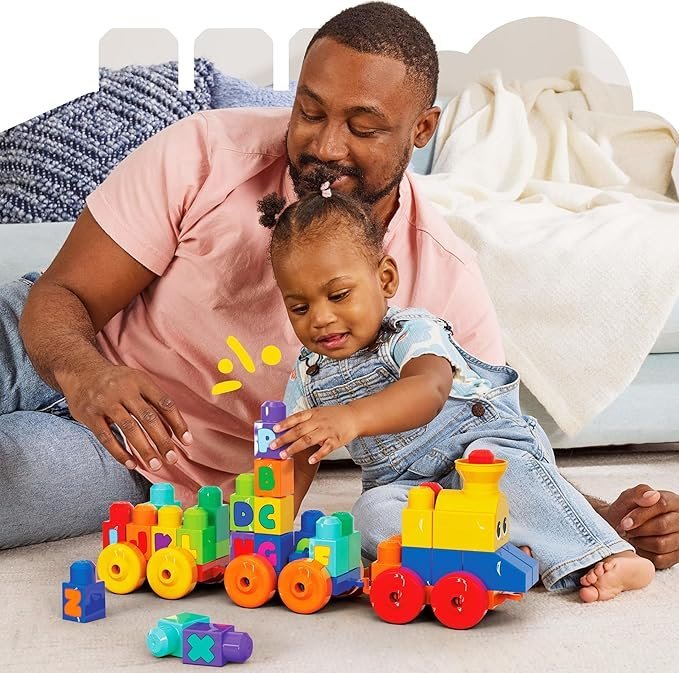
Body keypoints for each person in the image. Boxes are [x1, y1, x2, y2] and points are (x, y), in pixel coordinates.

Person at [1, 3, 677, 568]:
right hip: (52, 341)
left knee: (14, 477)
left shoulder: (441, 281)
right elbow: (63, 295)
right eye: (311, 111)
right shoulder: (206, 153)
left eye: (362, 126)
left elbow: (485, 449)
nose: (325, 146)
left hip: (147, 456)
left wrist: (601, 521)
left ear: (421, 129)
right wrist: (88, 374)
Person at [259, 185, 655, 602]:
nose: (321, 317)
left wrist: (351, 418)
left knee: (516, 479)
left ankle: (605, 552)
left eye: (339, 295)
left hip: (480, 451)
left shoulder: (410, 332)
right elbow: (296, 454)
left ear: (385, 279)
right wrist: (274, 531)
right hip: (409, 488)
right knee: (370, 515)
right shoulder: (308, 373)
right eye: (300, 307)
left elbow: (428, 389)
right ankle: (487, 556)